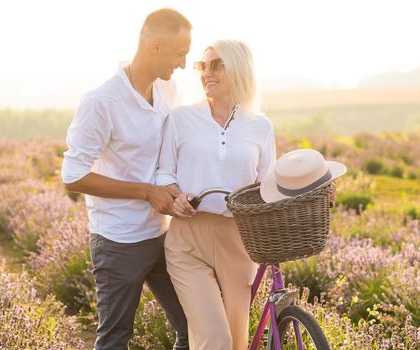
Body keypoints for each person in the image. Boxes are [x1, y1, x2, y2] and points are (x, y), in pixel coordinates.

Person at [60, 8, 191, 350]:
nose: (183, 63)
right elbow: (72, 176)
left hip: (163, 235)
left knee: (195, 327)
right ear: (155, 45)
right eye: (180, 53)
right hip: (118, 241)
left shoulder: (169, 90)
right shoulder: (102, 102)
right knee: (115, 339)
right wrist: (146, 192)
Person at [156, 39, 275, 350]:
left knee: (236, 342)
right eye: (203, 66)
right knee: (214, 339)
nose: (207, 73)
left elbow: (267, 186)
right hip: (188, 240)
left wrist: (316, 188)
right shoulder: (181, 119)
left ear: (238, 68)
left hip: (238, 242)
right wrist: (176, 196)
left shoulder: (260, 127)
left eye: (217, 65)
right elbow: (164, 172)